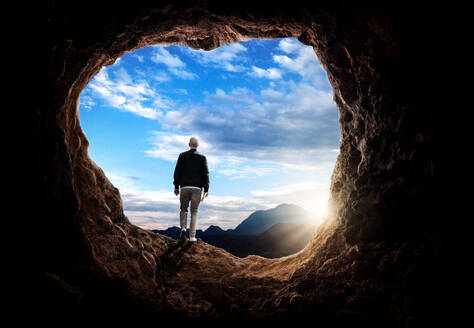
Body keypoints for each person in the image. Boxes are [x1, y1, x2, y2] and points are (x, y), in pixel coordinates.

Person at [173, 137, 209, 243]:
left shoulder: (182, 156)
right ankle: (192, 237)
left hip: (184, 187)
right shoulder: (202, 157)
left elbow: (177, 172)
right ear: (197, 145)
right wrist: (206, 189)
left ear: (189, 144)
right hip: (197, 188)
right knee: (194, 212)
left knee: (183, 209)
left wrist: (176, 186)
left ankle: (183, 229)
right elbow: (205, 174)